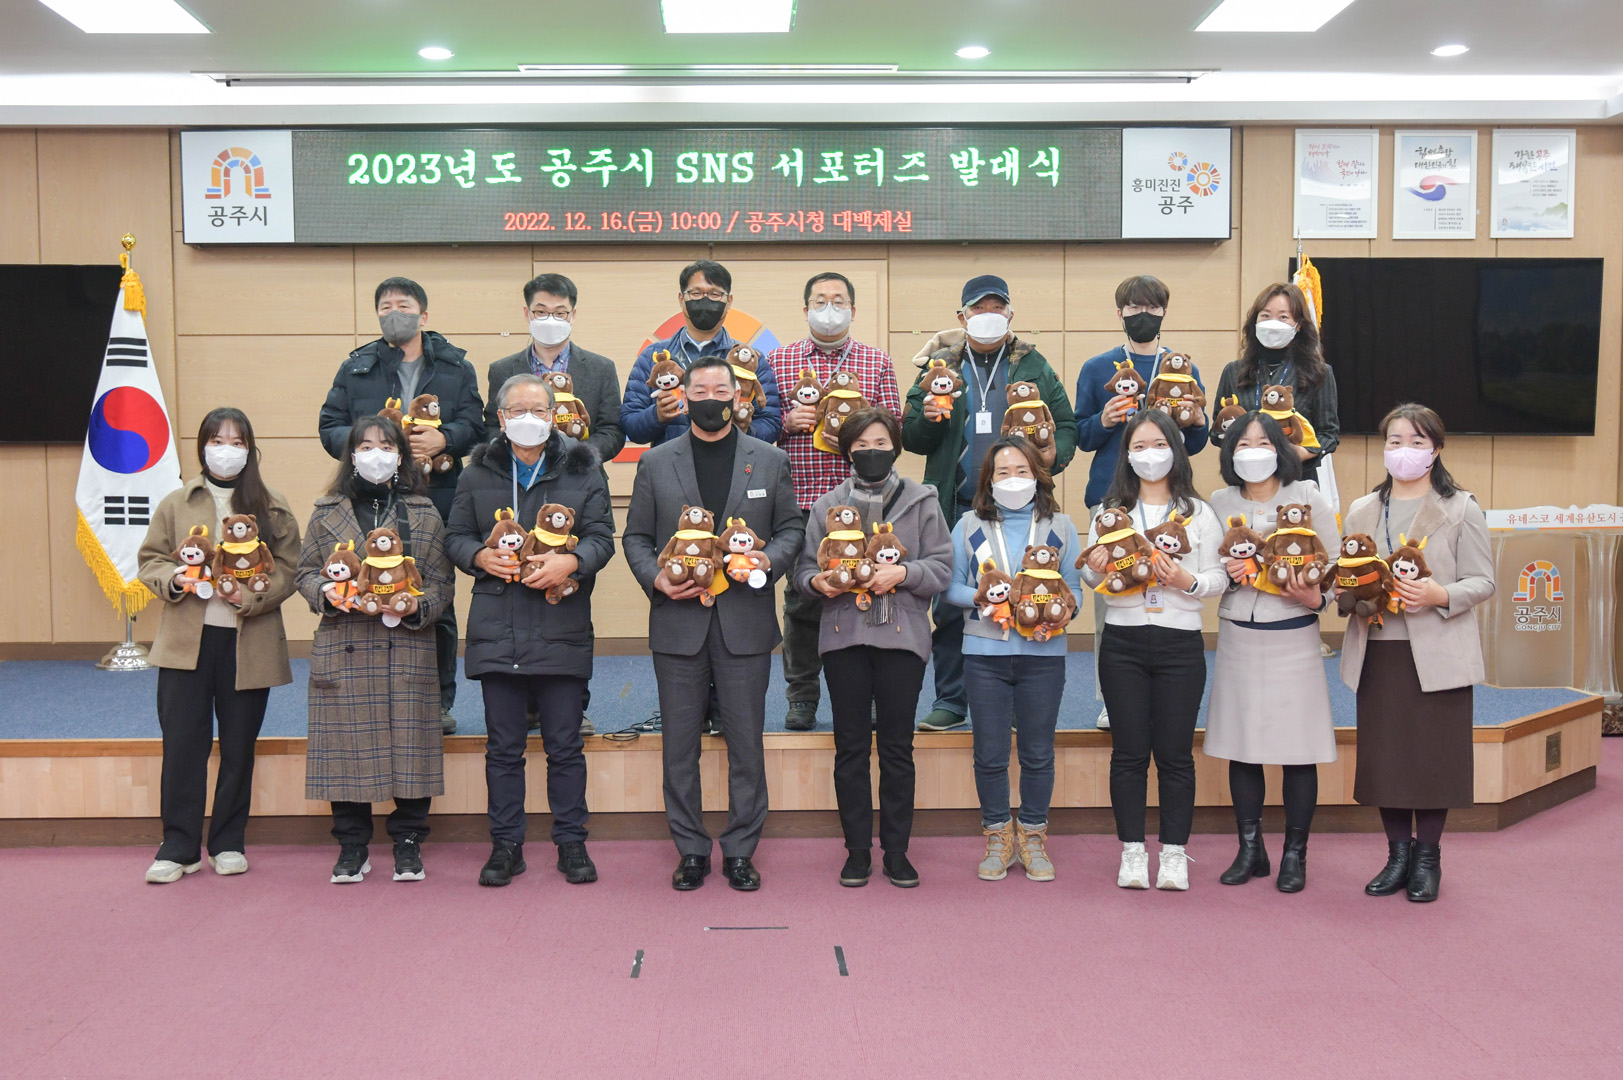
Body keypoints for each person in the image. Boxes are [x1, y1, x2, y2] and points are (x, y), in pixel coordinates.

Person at [622, 354, 803, 892]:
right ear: (684, 398)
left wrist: (768, 560)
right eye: (698, 391)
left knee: (747, 744)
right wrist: (656, 578)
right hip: (678, 624)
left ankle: (742, 850)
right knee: (680, 747)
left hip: (744, 623)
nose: (710, 399)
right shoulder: (657, 462)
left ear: (738, 397)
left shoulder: (769, 459)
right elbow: (635, 537)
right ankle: (691, 850)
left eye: (720, 391)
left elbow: (791, 529)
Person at [446, 374, 616, 887]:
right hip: (497, 625)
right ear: (500, 418)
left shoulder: (583, 468)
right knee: (503, 748)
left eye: (539, 410)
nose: (529, 418)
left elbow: (602, 537)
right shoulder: (476, 474)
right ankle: (506, 846)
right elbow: (455, 536)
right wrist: (479, 557)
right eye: (518, 410)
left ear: (554, 415)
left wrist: (572, 562)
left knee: (565, 745)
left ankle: (571, 843)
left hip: (560, 623)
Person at [901, 274, 1076, 732]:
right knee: (949, 606)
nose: (988, 316)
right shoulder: (939, 364)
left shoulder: (1032, 363)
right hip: (955, 505)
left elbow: (1066, 425)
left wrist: (1051, 459)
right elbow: (911, 434)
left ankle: (1015, 701)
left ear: (1011, 315)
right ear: (962, 317)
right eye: (979, 308)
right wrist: (930, 420)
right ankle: (951, 700)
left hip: (1019, 508)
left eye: (997, 307)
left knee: (1024, 591)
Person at [135, 408, 301, 884]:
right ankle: (178, 845)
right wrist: (177, 579)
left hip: (249, 642)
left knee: (238, 747)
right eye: (216, 440)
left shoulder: (272, 505)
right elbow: (151, 560)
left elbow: (290, 568)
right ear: (202, 447)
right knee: (182, 746)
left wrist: (251, 597)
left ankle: (228, 842)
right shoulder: (177, 502)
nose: (226, 450)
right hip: (186, 643)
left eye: (236, 441)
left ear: (250, 449)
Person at [1339, 403, 1493, 903]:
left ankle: (1427, 859)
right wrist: (1351, 593)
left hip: (1438, 653)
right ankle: (1396, 856)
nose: (1404, 450)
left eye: (1416, 442)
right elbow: (1348, 574)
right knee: (1387, 759)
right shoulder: (1363, 510)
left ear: (1436, 449)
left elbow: (1483, 580)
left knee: (1432, 759)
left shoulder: (1461, 507)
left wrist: (1438, 594)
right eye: (1395, 441)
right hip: (1379, 650)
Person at [317, 276, 484, 735]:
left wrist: (445, 438)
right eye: (386, 306)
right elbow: (329, 426)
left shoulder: (455, 365)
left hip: (436, 496)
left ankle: (438, 702)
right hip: (369, 496)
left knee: (434, 599)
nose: (395, 313)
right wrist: (369, 442)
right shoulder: (357, 367)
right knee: (372, 589)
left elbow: (477, 423)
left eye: (404, 305)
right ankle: (371, 696)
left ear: (423, 315)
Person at [794, 408, 951, 887]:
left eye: (881, 443)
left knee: (898, 748)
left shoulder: (923, 501)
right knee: (851, 747)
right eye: (861, 445)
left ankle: (897, 852)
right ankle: (857, 851)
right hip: (844, 638)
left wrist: (904, 572)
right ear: (847, 451)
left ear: (896, 447)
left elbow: (943, 568)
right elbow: (802, 573)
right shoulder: (825, 506)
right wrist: (819, 582)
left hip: (902, 639)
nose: (872, 452)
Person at [296, 415, 455, 884]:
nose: (375, 455)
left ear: (401, 456)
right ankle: (352, 845)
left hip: (405, 643)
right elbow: (304, 572)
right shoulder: (326, 511)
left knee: (412, 746)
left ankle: (408, 842)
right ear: (351, 456)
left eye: (386, 446)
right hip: (344, 642)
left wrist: (418, 605)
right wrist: (327, 593)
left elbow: (442, 583)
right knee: (345, 745)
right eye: (365, 447)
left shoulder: (423, 512)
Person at [1080, 408, 1226, 892]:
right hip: (1122, 643)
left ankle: (1175, 853)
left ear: (1176, 450)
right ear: (1126, 455)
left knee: (1175, 754)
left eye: (1159, 445)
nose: (1149, 455)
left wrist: (1187, 580)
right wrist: (1098, 566)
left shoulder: (1198, 512)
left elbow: (1219, 578)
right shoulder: (1109, 512)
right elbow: (1091, 577)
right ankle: (1132, 851)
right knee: (1128, 753)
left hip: (1179, 643)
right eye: (1138, 447)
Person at [484, 272, 626, 737]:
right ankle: (523, 704)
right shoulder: (503, 368)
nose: (550, 319)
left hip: (576, 491)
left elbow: (613, 430)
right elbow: (491, 428)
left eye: (560, 312)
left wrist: (572, 454)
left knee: (569, 595)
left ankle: (570, 706)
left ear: (573, 314)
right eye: (541, 311)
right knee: (517, 594)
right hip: (516, 489)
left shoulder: (599, 367)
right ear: (526, 313)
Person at [1206, 412, 1339, 892]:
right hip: (1239, 634)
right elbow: (1207, 564)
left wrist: (1317, 598)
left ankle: (1295, 854)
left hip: (1294, 635)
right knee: (1243, 747)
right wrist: (1225, 573)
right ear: (1229, 452)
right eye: (1242, 444)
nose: (1253, 452)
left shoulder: (1308, 497)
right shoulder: (1218, 502)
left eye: (1263, 442)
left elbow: (1336, 565)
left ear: (1281, 448)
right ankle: (1250, 849)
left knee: (1298, 751)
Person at [943, 436, 1083, 884]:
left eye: (1022, 470)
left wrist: (1061, 615)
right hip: (984, 656)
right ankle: (998, 835)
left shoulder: (1061, 526)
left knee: (1038, 752)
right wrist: (982, 600)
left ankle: (1034, 836)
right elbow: (950, 587)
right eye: (1003, 472)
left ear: (1037, 476)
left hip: (1044, 656)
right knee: (990, 752)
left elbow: (1074, 590)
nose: (1013, 479)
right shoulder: (968, 524)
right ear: (988, 480)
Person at [1074, 275, 1210, 730]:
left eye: (1151, 307)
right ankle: (1111, 698)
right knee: (1112, 596)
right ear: (1120, 314)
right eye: (1133, 308)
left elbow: (1198, 441)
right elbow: (1081, 435)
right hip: (1113, 499)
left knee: (1170, 590)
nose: (1143, 315)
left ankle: (1169, 692)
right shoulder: (1098, 367)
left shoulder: (1181, 366)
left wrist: (1196, 419)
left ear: (1164, 312)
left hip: (1170, 498)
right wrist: (1104, 418)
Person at [772, 272, 902, 731]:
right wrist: (786, 421)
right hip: (801, 502)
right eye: (820, 300)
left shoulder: (876, 361)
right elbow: (756, 426)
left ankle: (868, 696)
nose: (830, 308)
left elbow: (894, 426)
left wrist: (862, 422)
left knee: (866, 595)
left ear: (853, 309)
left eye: (839, 300)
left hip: (865, 501)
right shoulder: (778, 360)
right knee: (803, 601)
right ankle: (802, 696)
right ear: (806, 308)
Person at [621, 259, 782, 446]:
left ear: (729, 301)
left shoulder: (750, 360)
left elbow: (771, 424)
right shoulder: (653, 357)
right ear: (681, 299)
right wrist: (656, 415)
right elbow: (630, 424)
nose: (705, 300)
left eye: (715, 294)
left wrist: (743, 427)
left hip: (733, 462)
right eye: (696, 293)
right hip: (671, 462)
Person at [1213, 282, 1340, 483]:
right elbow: (1218, 430)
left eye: (1283, 317)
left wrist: (1301, 452)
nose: (1273, 323)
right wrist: (1245, 447)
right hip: (1245, 479)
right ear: (1255, 322)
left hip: (1296, 479)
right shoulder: (1233, 371)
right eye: (1265, 316)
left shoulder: (1319, 372)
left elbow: (1328, 433)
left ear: (1298, 325)